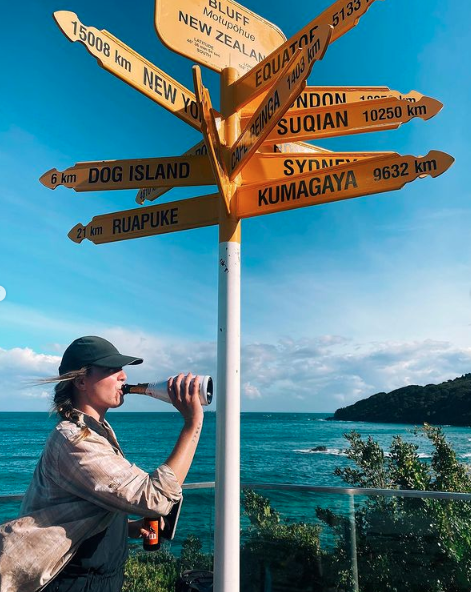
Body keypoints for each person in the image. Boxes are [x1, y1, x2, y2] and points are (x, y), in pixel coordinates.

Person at [0, 336, 204, 592]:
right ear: (81, 381)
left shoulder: (95, 431)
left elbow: (88, 503)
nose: (123, 377)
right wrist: (192, 424)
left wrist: (128, 528)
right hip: (73, 582)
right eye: (111, 369)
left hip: (99, 579)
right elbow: (154, 498)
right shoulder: (73, 439)